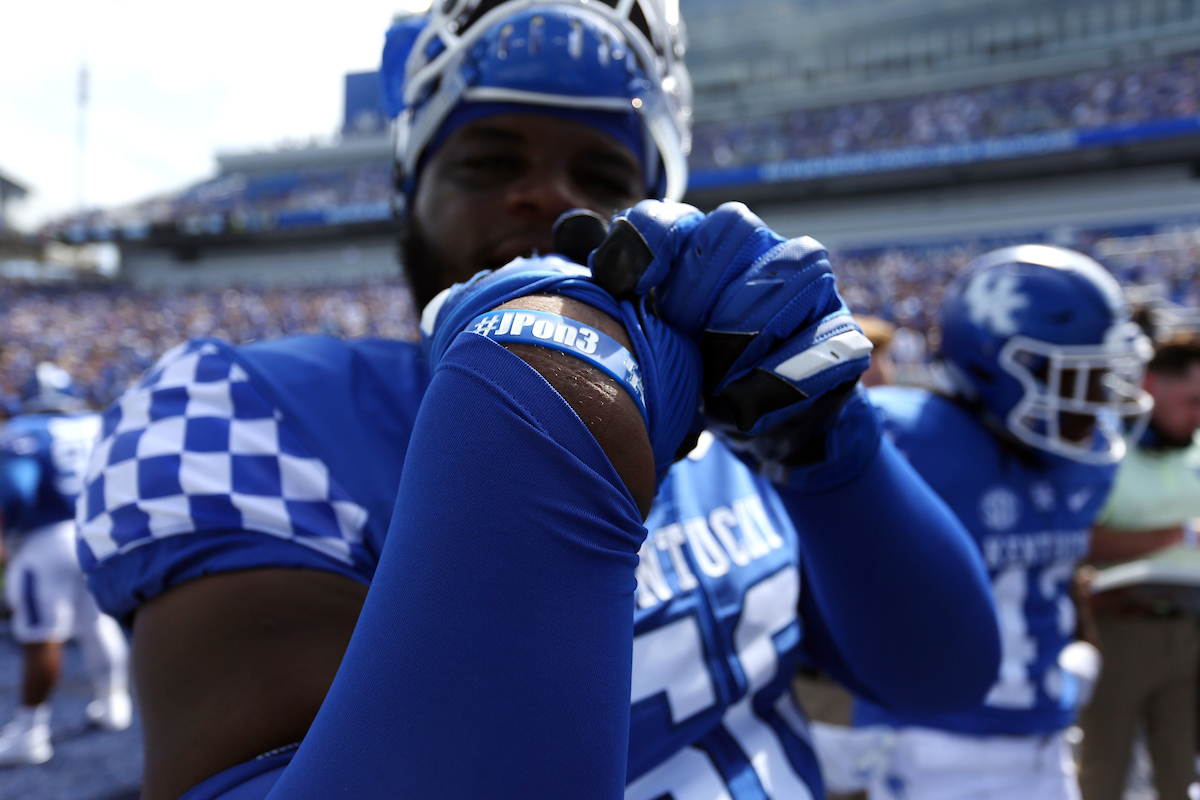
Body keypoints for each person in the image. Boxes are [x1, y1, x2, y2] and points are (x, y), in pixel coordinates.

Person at [76, 1, 1001, 798]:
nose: (544, 195)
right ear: (409, 193)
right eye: (487, 160)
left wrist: (827, 453)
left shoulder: (730, 430)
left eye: (600, 175)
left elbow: (939, 675)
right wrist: (537, 392)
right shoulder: (256, 410)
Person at [852, 244, 1155, 800]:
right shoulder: (908, 437)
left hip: (1046, 736)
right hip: (931, 743)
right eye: (1078, 379)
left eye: (1103, 378)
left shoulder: (1077, 461)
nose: (1096, 404)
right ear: (1006, 366)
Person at [1077, 332, 1200, 800]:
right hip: (1119, 630)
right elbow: (1078, 539)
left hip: (1190, 632)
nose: (1197, 413)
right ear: (1152, 385)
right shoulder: (1104, 453)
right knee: (1102, 774)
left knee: (1180, 775)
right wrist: (1176, 535)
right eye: (1191, 400)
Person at [0, 362, 131, 766]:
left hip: (45, 540)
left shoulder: (23, 432)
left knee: (42, 636)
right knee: (98, 622)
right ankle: (114, 705)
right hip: (97, 534)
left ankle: (31, 731)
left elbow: (16, 490)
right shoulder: (97, 422)